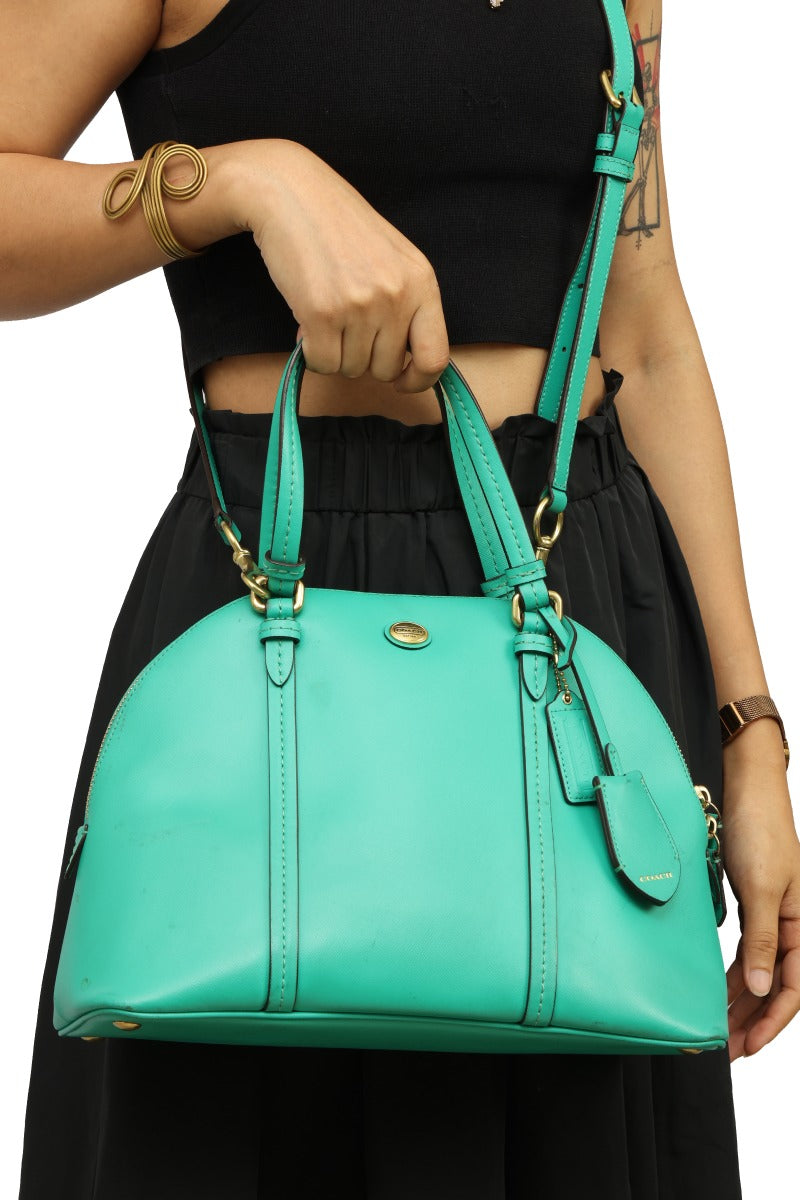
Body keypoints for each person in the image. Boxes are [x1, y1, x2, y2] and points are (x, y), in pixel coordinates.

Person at [4, 0, 798, 1197]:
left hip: (580, 616)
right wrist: (243, 184)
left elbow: (642, 323)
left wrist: (748, 738)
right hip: (273, 602)